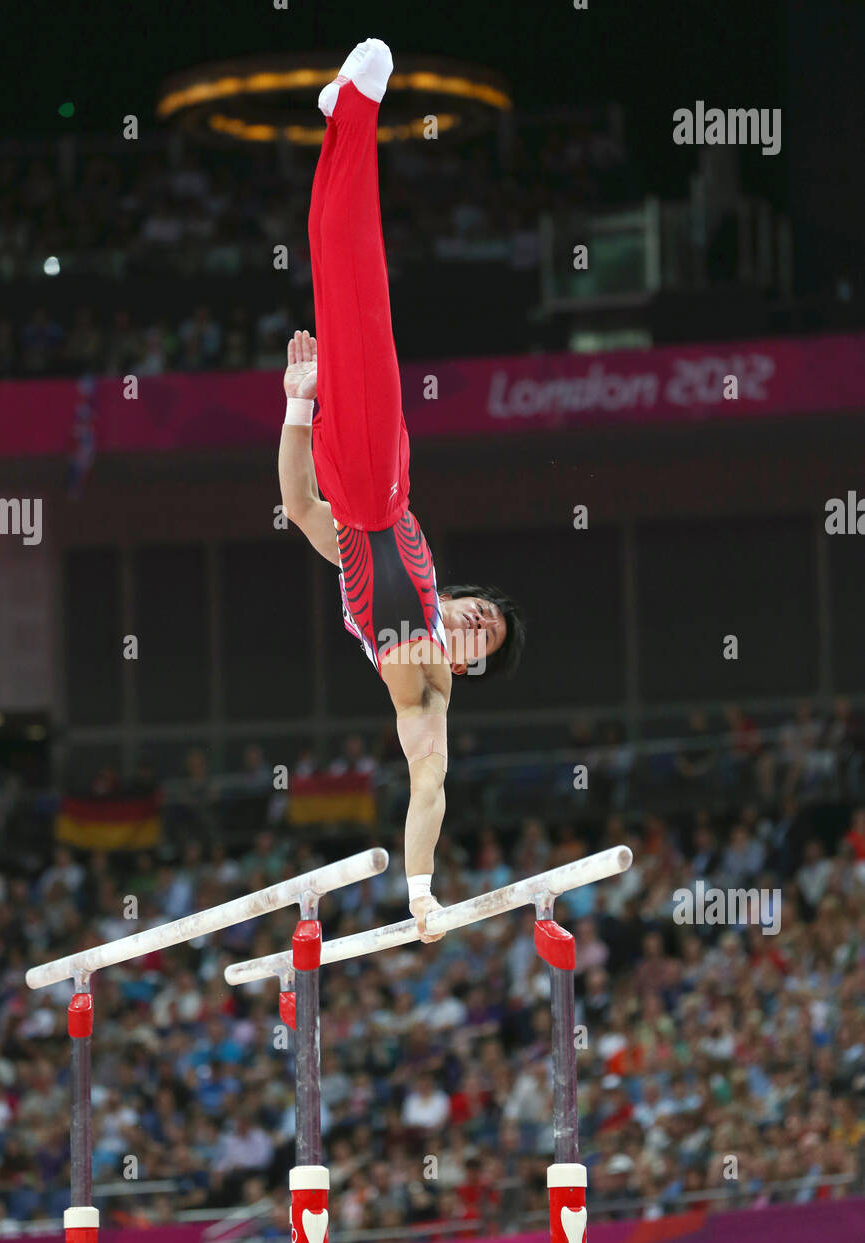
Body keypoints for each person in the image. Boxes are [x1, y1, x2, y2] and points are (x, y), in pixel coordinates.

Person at [277, 39, 525, 941]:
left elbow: (430, 786)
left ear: (468, 666)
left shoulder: (426, 700)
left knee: (337, 266)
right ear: (459, 599)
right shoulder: (422, 584)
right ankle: (354, 112)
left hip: (348, 486)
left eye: (479, 644)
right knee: (353, 280)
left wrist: (420, 894)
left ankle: (351, 107)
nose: (469, 630)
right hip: (383, 474)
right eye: (479, 617)